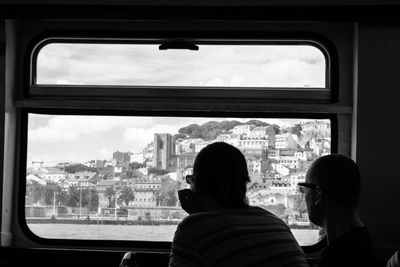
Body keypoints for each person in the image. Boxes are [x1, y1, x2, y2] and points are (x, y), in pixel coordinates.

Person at [169, 142, 309, 267]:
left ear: (199, 183)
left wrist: (197, 215)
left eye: (190, 179)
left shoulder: (191, 229)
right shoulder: (275, 222)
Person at [299, 154, 380, 267]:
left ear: (318, 194)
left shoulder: (336, 257)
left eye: (304, 188)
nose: (304, 195)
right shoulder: (359, 245)